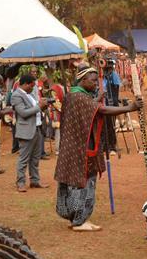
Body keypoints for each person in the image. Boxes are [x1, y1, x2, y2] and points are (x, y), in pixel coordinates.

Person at [54, 65, 140, 232]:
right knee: (83, 183)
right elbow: (102, 110)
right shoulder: (79, 97)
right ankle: (80, 220)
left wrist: (96, 99)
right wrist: (129, 108)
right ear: (82, 80)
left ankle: (77, 218)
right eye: (93, 81)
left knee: (78, 182)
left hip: (75, 149)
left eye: (97, 81)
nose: (96, 84)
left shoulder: (75, 95)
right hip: (81, 150)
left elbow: (91, 108)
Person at [10, 73, 48, 192]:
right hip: (26, 131)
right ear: (26, 84)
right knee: (24, 158)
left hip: (36, 128)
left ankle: (35, 181)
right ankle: (20, 182)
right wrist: (39, 107)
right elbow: (23, 113)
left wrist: (42, 107)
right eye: (32, 85)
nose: (33, 88)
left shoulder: (29, 94)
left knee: (35, 158)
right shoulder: (16, 95)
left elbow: (35, 109)